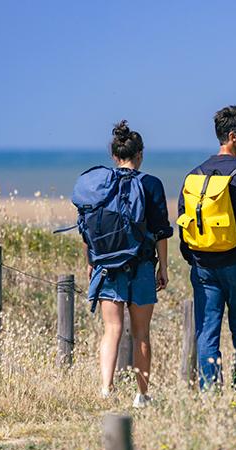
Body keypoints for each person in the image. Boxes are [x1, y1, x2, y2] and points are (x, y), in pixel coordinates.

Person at [78, 121, 172, 407]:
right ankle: (142, 395)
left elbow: (87, 229)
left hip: (108, 266)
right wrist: (163, 267)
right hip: (142, 265)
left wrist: (91, 262)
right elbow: (160, 231)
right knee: (141, 333)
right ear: (140, 154)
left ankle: (106, 389)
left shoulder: (99, 186)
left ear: (114, 155)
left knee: (112, 329)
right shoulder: (151, 184)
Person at [177, 105, 236, 389]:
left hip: (203, 264)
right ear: (232, 136)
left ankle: (209, 393)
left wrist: (193, 258)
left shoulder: (194, 175)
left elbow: (183, 219)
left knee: (207, 331)